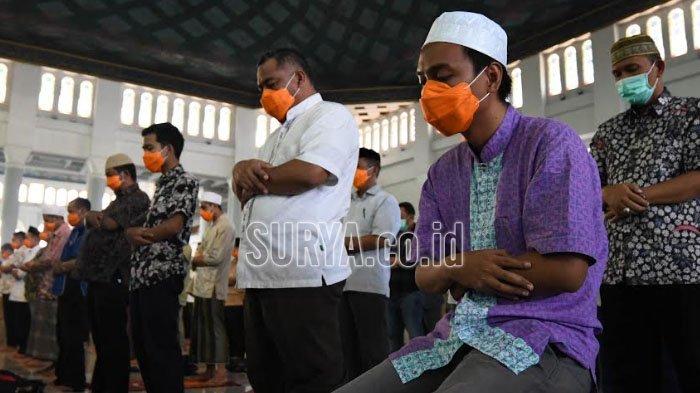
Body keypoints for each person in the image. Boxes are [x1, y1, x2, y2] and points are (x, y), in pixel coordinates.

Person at [335, 12, 607, 393]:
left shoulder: (550, 144)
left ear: (491, 78)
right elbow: (425, 274)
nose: (428, 90)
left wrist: (466, 274)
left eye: (442, 76)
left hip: (543, 337)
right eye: (423, 79)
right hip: (455, 337)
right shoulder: (443, 174)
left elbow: (566, 271)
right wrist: (462, 265)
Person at [233, 48, 359, 392]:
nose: (264, 96)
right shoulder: (275, 137)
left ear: (298, 78)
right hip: (261, 273)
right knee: (265, 376)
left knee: (313, 377)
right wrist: (241, 172)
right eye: (260, 88)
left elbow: (312, 171)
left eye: (271, 83)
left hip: (302, 271)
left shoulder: (329, 116)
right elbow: (247, 195)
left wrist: (250, 173)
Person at [590, 34, 700, 393]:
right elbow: (587, 192)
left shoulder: (690, 115)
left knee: (689, 367)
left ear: (659, 68)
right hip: (621, 276)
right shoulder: (607, 133)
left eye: (633, 69)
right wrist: (608, 193)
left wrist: (638, 196)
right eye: (618, 73)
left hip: (680, 271)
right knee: (630, 376)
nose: (625, 79)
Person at [126, 122, 199, 393]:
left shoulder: (184, 180)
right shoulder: (162, 184)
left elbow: (173, 226)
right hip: (142, 276)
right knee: (144, 349)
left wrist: (139, 234)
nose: (145, 154)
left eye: (149, 148)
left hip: (161, 275)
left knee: (161, 350)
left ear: (167, 149)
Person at [77, 153, 150, 393]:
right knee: (101, 340)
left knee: (113, 342)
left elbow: (109, 224)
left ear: (125, 175)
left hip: (114, 277)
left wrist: (93, 217)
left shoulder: (138, 199)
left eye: (111, 175)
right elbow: (99, 220)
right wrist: (92, 217)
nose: (108, 180)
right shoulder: (116, 201)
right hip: (99, 278)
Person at [341, 147, 401, 378]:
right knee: (347, 350)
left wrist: (344, 243)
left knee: (373, 350)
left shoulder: (385, 201)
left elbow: (382, 238)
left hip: (369, 286)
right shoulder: (347, 202)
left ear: (373, 170)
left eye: (358, 167)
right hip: (344, 283)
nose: (353, 172)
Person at [189, 192, 235, 382]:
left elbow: (214, 258)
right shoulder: (212, 226)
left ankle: (221, 371)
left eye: (205, 207)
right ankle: (208, 369)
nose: (203, 212)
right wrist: (198, 258)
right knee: (203, 328)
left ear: (215, 207)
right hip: (202, 285)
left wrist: (196, 259)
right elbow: (201, 251)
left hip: (215, 285)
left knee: (215, 328)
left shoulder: (226, 226)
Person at [22, 206, 71, 365]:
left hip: (54, 284)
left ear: (56, 218)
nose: (46, 224)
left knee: (50, 324)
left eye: (47, 220)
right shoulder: (56, 234)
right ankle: (42, 357)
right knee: (42, 323)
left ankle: (50, 359)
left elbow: (52, 259)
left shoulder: (64, 234)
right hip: (45, 284)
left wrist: (33, 265)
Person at [52, 198, 90, 391]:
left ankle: (76, 379)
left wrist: (62, 266)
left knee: (74, 337)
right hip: (66, 288)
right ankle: (64, 374)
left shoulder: (88, 233)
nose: (70, 216)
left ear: (83, 211)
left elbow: (82, 259)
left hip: (78, 290)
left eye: (72, 211)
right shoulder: (75, 232)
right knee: (63, 334)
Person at [387, 202, 424, 351]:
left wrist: (400, 261)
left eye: (401, 216)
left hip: (411, 293)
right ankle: (396, 369)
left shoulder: (418, 235)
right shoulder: (393, 236)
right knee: (392, 335)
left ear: (410, 217)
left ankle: (423, 368)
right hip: (391, 292)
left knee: (415, 333)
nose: (398, 220)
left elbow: (421, 259)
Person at [7, 228, 41, 355]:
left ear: (36, 239)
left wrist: (18, 271)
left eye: (28, 238)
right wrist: (17, 270)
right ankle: (19, 345)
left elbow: (25, 268)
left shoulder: (37, 252)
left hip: (27, 292)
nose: (26, 241)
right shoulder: (25, 251)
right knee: (18, 321)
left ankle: (24, 347)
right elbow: (15, 266)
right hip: (17, 290)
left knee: (25, 322)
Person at [224, 238, 245, 373]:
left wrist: (224, 280)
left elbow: (234, 279)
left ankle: (240, 360)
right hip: (228, 302)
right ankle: (232, 359)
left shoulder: (244, 264)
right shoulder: (231, 263)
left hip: (239, 302)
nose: (234, 251)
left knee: (238, 332)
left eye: (236, 249)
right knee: (230, 333)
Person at [1, 243, 14, 349]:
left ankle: (11, 342)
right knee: (6, 318)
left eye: (2, 252)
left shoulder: (12, 259)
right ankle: (8, 342)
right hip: (5, 291)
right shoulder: (4, 261)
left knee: (10, 318)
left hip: (11, 292)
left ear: (8, 251)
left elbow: (6, 269)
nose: (2, 254)